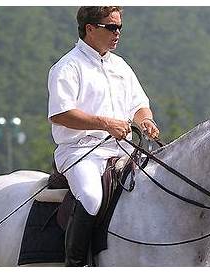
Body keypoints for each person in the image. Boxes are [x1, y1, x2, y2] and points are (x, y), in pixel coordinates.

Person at [47, 6, 159, 266]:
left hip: (123, 149)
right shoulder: (67, 66)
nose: (117, 33)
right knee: (91, 197)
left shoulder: (120, 65)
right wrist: (105, 123)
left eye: (120, 27)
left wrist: (146, 121)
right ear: (90, 29)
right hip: (80, 151)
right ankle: (76, 264)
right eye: (111, 27)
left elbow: (139, 105)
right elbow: (60, 114)